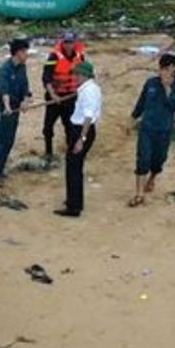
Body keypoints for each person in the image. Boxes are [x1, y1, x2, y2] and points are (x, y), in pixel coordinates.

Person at [128, 54, 175, 207]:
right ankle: (139, 193)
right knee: (143, 158)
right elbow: (141, 103)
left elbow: (173, 105)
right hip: (147, 128)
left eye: (168, 69)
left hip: (164, 129)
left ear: (174, 69)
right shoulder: (150, 83)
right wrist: (132, 120)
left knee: (159, 159)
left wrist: (167, 88)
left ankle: (152, 177)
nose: (164, 72)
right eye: (162, 69)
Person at [55, 60, 102, 218]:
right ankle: (73, 200)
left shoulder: (88, 91)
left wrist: (81, 138)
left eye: (76, 74)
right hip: (84, 130)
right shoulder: (92, 88)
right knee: (75, 166)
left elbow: (88, 116)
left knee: (73, 168)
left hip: (81, 130)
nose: (74, 76)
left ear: (83, 75)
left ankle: (74, 206)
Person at [0, 37, 32, 185]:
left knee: (10, 141)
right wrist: (7, 107)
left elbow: (25, 87)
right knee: (4, 141)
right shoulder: (4, 70)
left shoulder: (22, 67)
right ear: (17, 53)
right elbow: (4, 92)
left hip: (15, 108)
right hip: (5, 109)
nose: (27, 54)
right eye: (25, 51)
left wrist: (26, 100)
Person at [41, 31, 86, 161]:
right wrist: (53, 95)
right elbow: (46, 78)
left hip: (70, 97)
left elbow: (83, 76)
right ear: (62, 42)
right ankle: (48, 152)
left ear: (75, 43)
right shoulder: (53, 57)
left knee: (70, 125)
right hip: (54, 97)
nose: (68, 45)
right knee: (48, 126)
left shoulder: (80, 57)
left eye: (70, 42)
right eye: (66, 42)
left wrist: (81, 90)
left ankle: (70, 150)